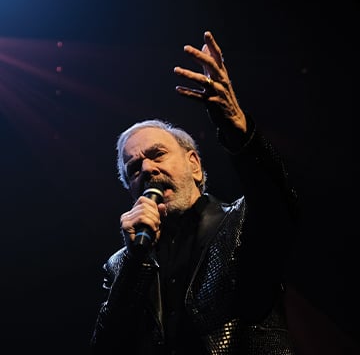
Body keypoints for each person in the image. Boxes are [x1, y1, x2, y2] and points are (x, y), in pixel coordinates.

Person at [90, 30, 299, 354]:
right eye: (133, 169)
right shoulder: (121, 264)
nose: (146, 170)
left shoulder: (240, 222)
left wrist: (239, 131)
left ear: (194, 165)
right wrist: (135, 262)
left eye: (157, 154)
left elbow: (278, 199)